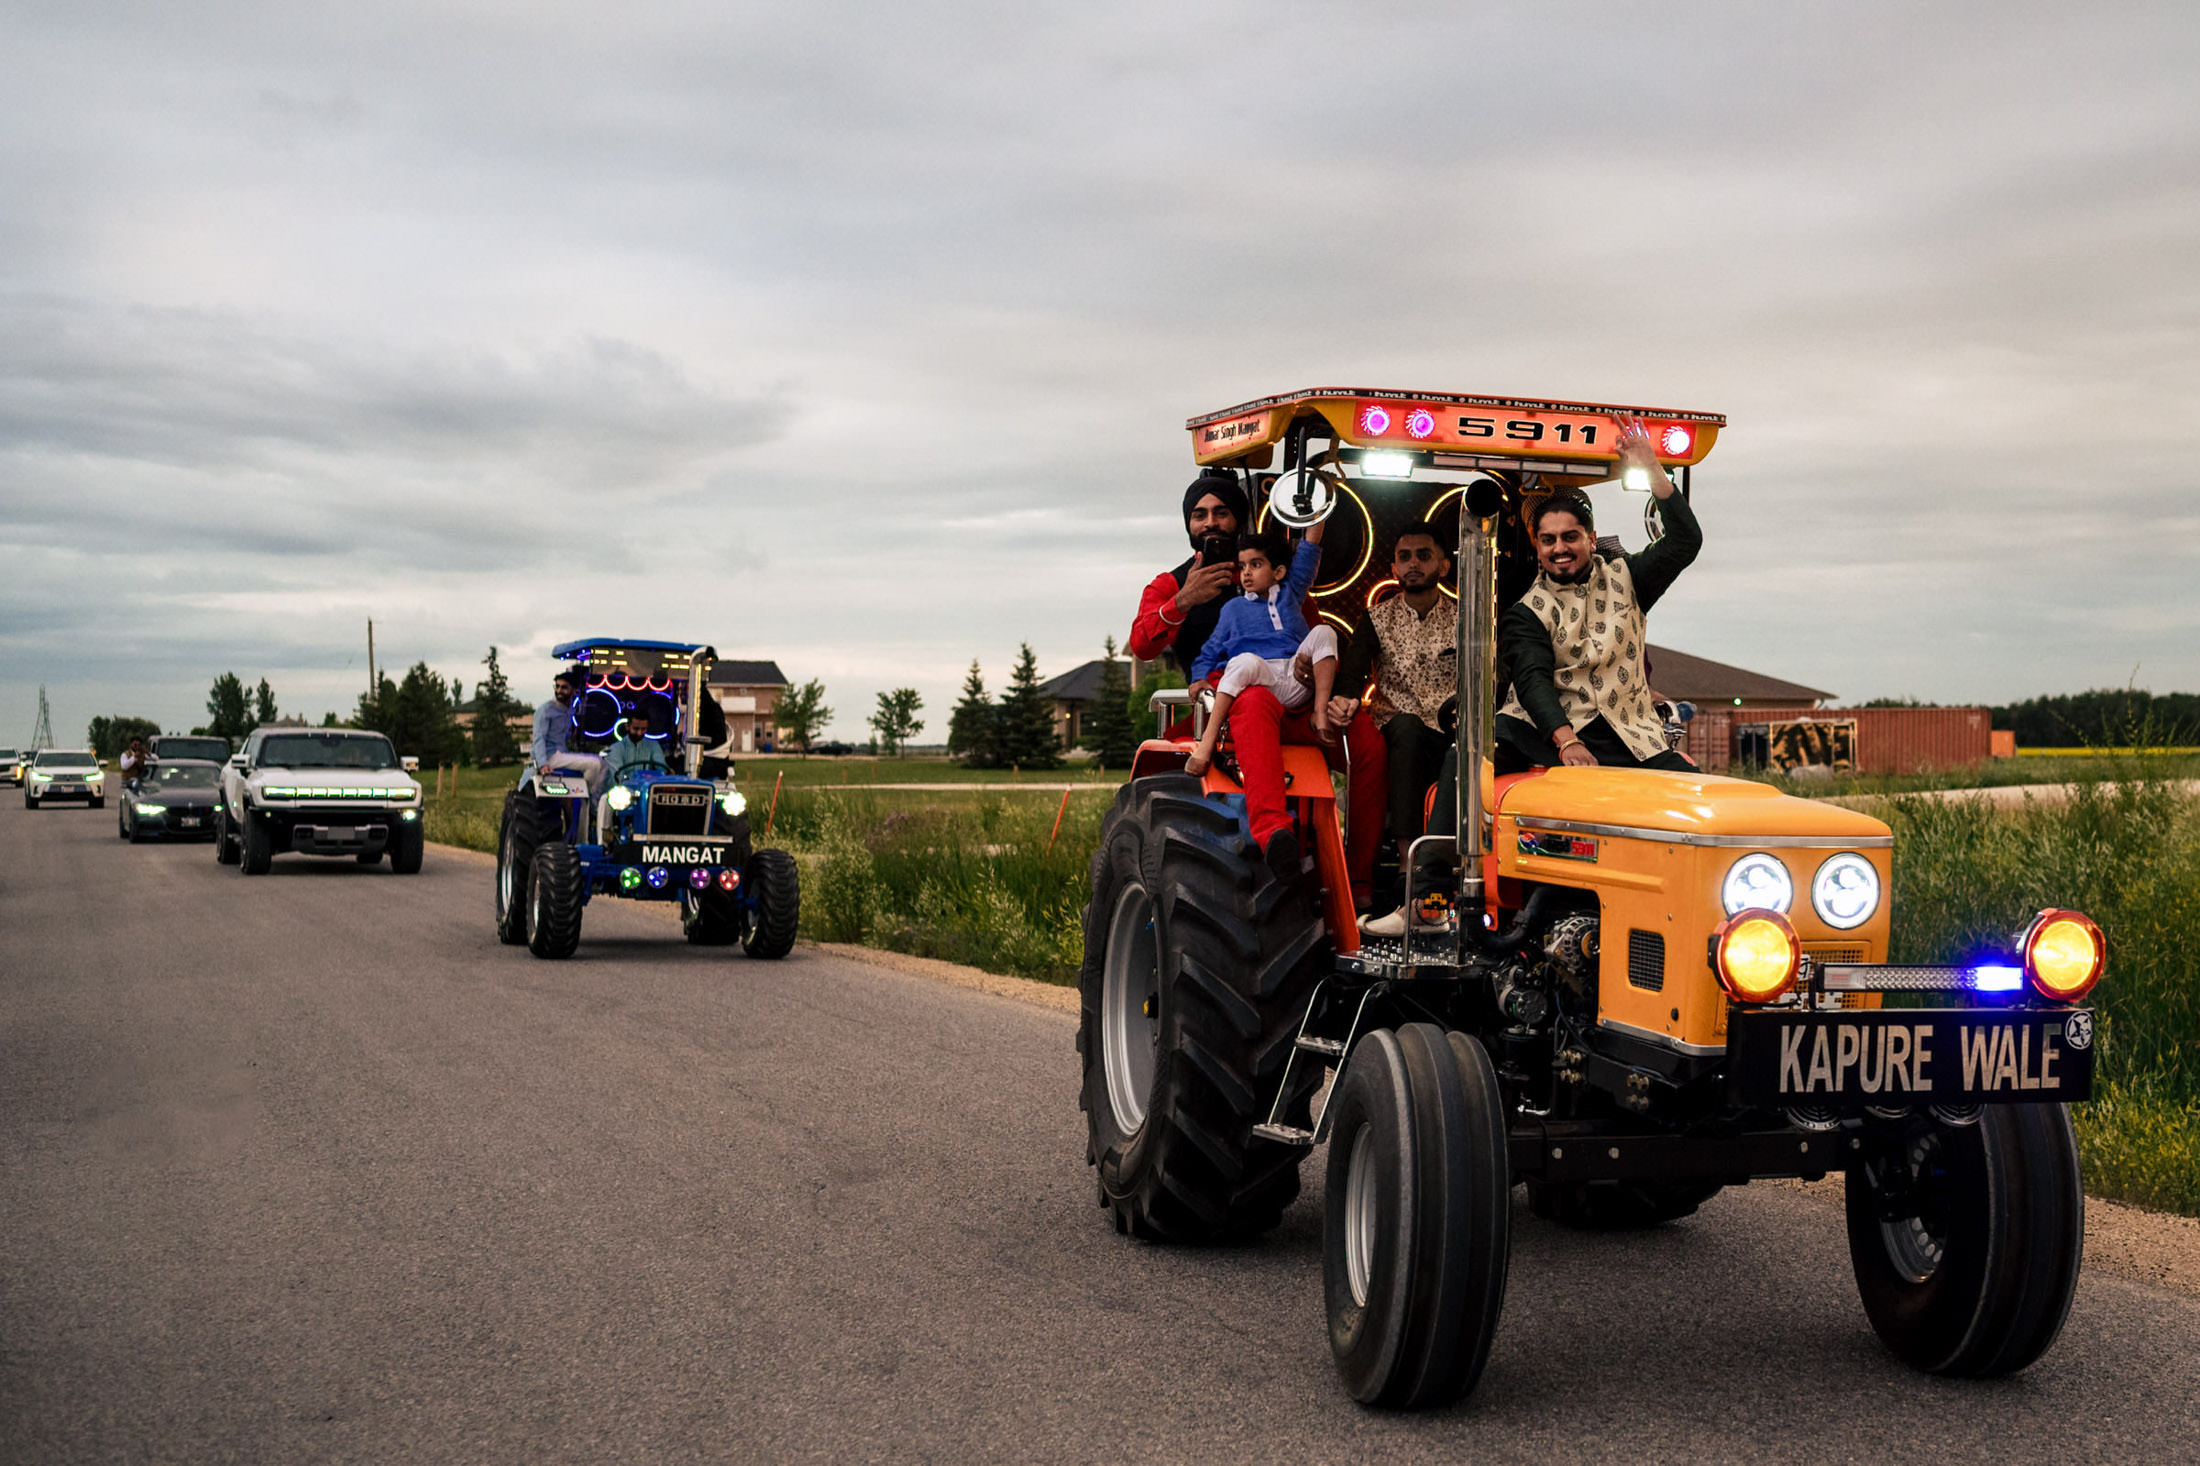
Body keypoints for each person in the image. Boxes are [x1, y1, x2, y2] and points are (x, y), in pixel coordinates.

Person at [1128, 470, 1387, 896]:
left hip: (1295, 700)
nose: (1210, 522)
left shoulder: (1273, 576)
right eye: (1198, 515)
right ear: (1188, 524)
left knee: (1368, 741)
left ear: (1240, 518)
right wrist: (1184, 600)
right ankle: (1274, 836)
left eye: (1221, 512)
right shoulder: (1170, 583)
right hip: (1226, 708)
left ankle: (1361, 879)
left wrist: (1330, 686)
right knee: (1252, 699)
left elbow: (1313, 636)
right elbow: (1141, 645)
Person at [1495, 423, 1702, 773]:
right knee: (1466, 762)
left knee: (1690, 785)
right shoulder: (1526, 611)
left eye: (1570, 536)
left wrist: (1652, 468)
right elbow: (1532, 679)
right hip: (1547, 734)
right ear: (1538, 547)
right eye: (1549, 540)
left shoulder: (1630, 576)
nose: (1559, 548)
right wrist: (1567, 740)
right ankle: (1442, 832)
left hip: (1629, 733)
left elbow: (1685, 542)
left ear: (1591, 539)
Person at [1338, 529, 1458, 936]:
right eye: (1404, 557)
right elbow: (1351, 675)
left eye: (1423, 555)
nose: (1412, 564)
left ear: (1443, 565)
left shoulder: (1466, 619)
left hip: (1450, 731)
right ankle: (1411, 871)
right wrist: (1345, 698)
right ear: (1392, 568)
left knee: (1467, 748)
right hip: (1396, 730)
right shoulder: (1377, 618)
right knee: (1406, 730)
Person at [1184, 525, 1337, 775]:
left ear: (1278, 572)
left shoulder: (1291, 593)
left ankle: (1321, 712)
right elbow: (1210, 650)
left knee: (1325, 632)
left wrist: (1319, 511)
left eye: (1255, 565)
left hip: (1296, 679)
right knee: (1244, 661)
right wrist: (1199, 677)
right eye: (1242, 566)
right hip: (1261, 680)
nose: (1246, 573)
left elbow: (1309, 550)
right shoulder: (1233, 609)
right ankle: (1207, 744)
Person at [531, 668, 606, 793]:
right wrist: (543, 764)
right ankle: (588, 800)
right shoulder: (545, 710)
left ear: (573, 690)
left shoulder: (569, 710)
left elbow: (564, 736)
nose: (559, 691)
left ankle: (590, 800)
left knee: (603, 763)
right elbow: (539, 738)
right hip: (550, 756)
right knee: (595, 764)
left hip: (562, 753)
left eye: (564, 687)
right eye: (557, 687)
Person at [601, 713, 669, 788]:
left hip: (647, 790)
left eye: (643, 729)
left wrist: (667, 772)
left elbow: (662, 768)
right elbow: (617, 776)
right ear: (627, 727)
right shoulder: (616, 748)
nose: (639, 733)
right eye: (636, 729)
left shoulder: (653, 745)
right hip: (623, 792)